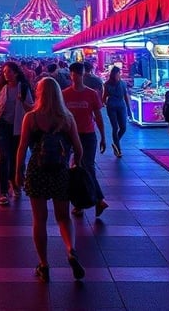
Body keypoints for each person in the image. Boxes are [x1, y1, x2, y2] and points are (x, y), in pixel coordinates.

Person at [15, 77, 85, 282]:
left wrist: (18, 171)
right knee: (63, 217)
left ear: (39, 93)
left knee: (39, 220)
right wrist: (75, 164)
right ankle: (71, 250)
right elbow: (79, 148)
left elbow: (21, 147)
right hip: (60, 172)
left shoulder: (32, 118)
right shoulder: (66, 118)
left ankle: (44, 265)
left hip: (37, 172)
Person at [63, 61, 108, 218]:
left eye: (79, 75)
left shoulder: (91, 94)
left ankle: (85, 203)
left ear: (84, 75)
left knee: (85, 167)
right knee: (77, 168)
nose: (77, 78)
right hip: (69, 136)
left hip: (88, 135)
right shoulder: (65, 94)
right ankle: (93, 201)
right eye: (74, 75)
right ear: (71, 75)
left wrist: (103, 136)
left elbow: (98, 116)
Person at [0, 61, 33, 205]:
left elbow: (31, 108)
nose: (6, 74)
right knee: (4, 157)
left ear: (16, 73)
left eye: (9, 72)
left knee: (16, 157)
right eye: (4, 72)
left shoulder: (23, 88)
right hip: (2, 127)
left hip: (19, 127)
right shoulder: (0, 89)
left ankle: (15, 181)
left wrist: (22, 100)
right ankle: (3, 191)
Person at [102, 66, 131, 158]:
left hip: (121, 106)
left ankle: (116, 142)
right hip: (112, 106)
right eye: (118, 73)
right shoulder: (107, 84)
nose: (119, 74)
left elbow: (126, 96)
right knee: (115, 127)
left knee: (123, 127)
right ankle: (118, 149)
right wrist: (103, 103)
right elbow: (104, 95)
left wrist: (129, 109)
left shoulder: (123, 83)